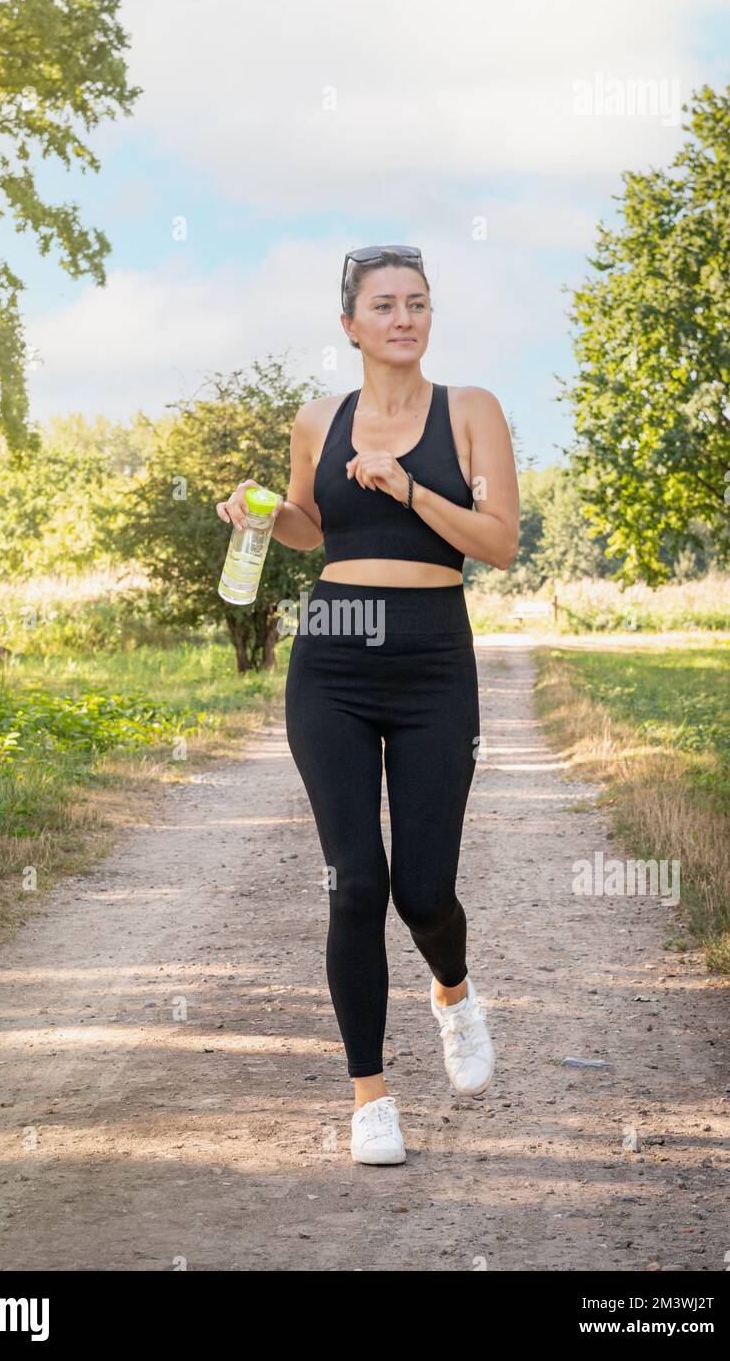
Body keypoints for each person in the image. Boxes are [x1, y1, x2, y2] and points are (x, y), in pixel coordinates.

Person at [216, 245, 519, 1165]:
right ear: (348, 324)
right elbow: (314, 528)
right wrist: (267, 512)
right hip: (334, 660)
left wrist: (411, 486)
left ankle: (455, 998)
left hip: (434, 662)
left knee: (425, 892)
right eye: (383, 305)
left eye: (417, 303)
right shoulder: (320, 418)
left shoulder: (472, 413)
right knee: (357, 883)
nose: (403, 318)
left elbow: (499, 545)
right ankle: (370, 1099)